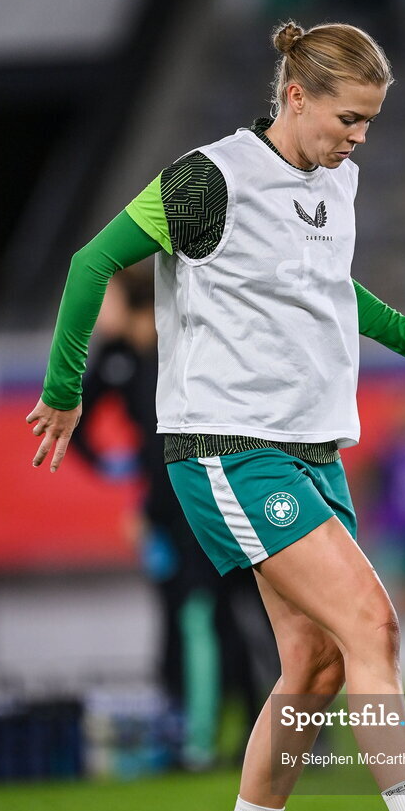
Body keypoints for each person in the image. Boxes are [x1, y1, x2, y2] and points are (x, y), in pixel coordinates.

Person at [27, 20, 405, 811]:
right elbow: (90, 262)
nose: (359, 138)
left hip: (313, 450)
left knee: (316, 669)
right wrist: (64, 392)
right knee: (372, 625)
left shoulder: (337, 177)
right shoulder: (206, 180)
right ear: (294, 95)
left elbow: (335, 291)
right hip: (228, 447)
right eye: (349, 117)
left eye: (371, 123)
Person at [71, 268, 271, 768]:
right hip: (170, 513)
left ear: (132, 301)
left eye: (105, 301)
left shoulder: (186, 341)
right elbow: (79, 423)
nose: (96, 315)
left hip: (216, 503)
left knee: (248, 619)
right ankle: (203, 739)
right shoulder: (118, 358)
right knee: (199, 621)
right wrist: (121, 474)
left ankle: (253, 736)